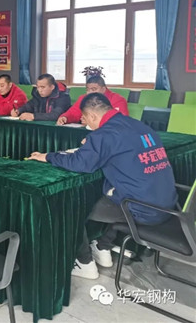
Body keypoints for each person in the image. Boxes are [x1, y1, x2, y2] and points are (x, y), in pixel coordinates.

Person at [29, 93, 177, 279]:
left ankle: (84, 263)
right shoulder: (138, 125)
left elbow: (81, 163)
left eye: (84, 118)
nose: (85, 122)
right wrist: (93, 143)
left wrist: (48, 156)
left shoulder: (104, 135)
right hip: (169, 204)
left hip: (143, 209)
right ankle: (102, 247)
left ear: (92, 116)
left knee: (71, 208)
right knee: (106, 197)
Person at [57, 75, 128, 125]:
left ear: (103, 89)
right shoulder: (84, 98)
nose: (90, 92)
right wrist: (65, 117)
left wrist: (91, 122)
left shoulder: (118, 100)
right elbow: (73, 112)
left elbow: (119, 121)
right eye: (88, 89)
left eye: (94, 89)